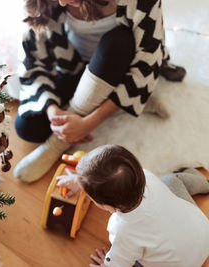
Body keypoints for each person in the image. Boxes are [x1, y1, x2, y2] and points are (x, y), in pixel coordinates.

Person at [13, 0, 186, 183]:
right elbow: (32, 62)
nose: (62, 2)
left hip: (122, 64)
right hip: (76, 65)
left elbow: (147, 61)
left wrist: (87, 123)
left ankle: (56, 144)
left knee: (117, 41)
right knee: (28, 127)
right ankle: (129, 102)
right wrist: (52, 111)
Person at [56, 144, 209, 267]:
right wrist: (80, 181)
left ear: (108, 207)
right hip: (203, 231)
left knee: (134, 257)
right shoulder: (145, 175)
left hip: (184, 264)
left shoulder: (122, 230)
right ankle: (204, 184)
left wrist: (107, 264)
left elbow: (119, 262)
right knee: (171, 181)